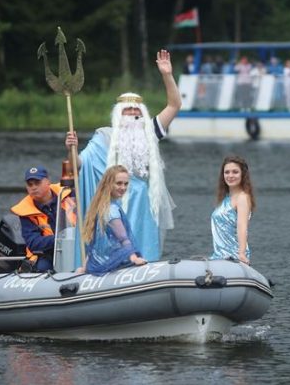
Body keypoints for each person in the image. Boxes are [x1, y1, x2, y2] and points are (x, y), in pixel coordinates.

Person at [65, 49, 179, 263]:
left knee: (144, 251)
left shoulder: (149, 132)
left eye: (136, 112)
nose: (132, 115)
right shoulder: (104, 137)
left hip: (142, 203)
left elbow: (174, 105)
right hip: (115, 203)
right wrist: (71, 148)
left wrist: (167, 75)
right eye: (127, 111)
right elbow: (80, 165)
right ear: (118, 114)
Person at [78, 165, 146, 275]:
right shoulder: (111, 210)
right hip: (107, 264)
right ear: (109, 184)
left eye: (126, 184)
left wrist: (84, 268)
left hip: (95, 263)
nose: (123, 187)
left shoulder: (101, 206)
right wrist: (134, 259)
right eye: (119, 183)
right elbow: (123, 238)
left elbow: (93, 246)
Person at [10, 165, 75, 272]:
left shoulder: (69, 194)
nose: (34, 187)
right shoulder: (25, 211)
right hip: (47, 253)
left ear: (47, 182)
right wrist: (59, 240)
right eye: (30, 184)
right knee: (42, 268)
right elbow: (33, 242)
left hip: (76, 245)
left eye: (37, 183)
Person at [210, 155, 255, 264]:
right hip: (219, 256)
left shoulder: (242, 197)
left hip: (233, 257)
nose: (230, 175)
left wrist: (242, 254)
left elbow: (242, 227)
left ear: (243, 174)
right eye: (227, 172)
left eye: (235, 172)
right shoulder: (225, 199)